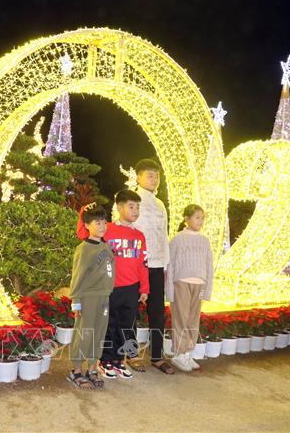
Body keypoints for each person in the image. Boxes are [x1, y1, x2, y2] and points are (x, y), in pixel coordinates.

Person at [77, 190, 149, 379]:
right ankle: (105, 360)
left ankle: (118, 361)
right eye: (131, 206)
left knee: (126, 325)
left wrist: (144, 288)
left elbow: (143, 263)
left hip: (132, 288)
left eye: (138, 207)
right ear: (119, 208)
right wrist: (86, 210)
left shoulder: (140, 236)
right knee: (109, 325)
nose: (135, 210)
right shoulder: (106, 228)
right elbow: (83, 232)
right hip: (109, 287)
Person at [132, 158, 174, 375]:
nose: (154, 179)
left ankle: (157, 357)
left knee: (156, 312)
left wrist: (166, 265)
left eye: (156, 176)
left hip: (157, 266)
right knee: (130, 311)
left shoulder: (159, 204)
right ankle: (129, 355)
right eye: (150, 175)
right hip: (136, 265)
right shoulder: (130, 200)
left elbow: (164, 235)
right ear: (138, 177)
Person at [67, 205, 115, 389]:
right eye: (97, 222)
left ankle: (92, 368)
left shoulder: (105, 246)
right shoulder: (84, 249)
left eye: (104, 222)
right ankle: (76, 370)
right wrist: (76, 301)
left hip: (104, 297)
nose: (102, 226)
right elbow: (77, 275)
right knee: (84, 333)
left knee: (99, 333)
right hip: (88, 298)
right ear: (87, 225)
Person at [165, 204, 214, 372]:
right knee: (181, 317)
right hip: (182, 284)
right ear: (186, 219)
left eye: (202, 218)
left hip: (199, 284)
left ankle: (187, 352)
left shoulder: (204, 241)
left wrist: (207, 290)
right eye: (197, 217)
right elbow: (169, 266)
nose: (200, 221)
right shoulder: (178, 239)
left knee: (193, 319)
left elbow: (209, 266)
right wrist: (169, 291)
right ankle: (179, 353)